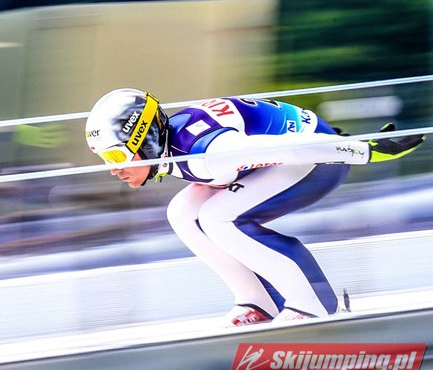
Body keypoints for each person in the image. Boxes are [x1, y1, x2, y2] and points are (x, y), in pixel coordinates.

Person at [84, 89, 425, 325]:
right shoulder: (173, 147)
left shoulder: (209, 153)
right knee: (184, 214)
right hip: (299, 149)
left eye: (115, 155)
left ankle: (314, 306)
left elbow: (292, 149)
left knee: (218, 218)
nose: (113, 169)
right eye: (104, 159)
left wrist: (364, 149)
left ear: (145, 139)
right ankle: (259, 302)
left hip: (317, 158)